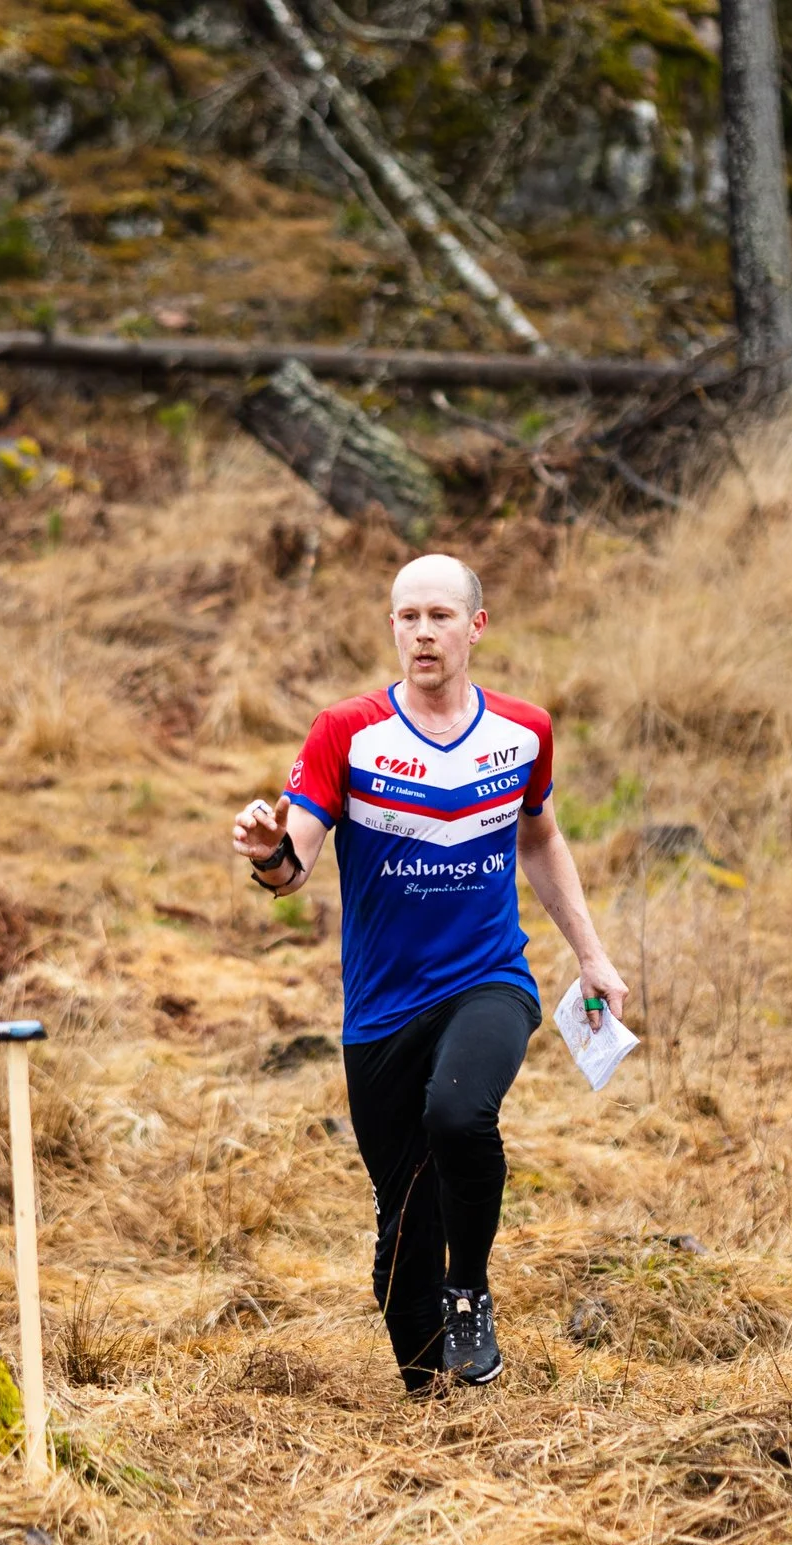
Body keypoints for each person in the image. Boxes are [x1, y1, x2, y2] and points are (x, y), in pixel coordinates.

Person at [230, 553, 628, 1393]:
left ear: (474, 627)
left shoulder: (523, 731)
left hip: (490, 977)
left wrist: (592, 954)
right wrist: (268, 854)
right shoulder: (346, 732)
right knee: (404, 1228)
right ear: (392, 627)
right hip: (382, 1009)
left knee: (458, 1113)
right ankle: (429, 1392)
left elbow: (541, 836)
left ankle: (469, 1291)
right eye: (407, 617)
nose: (422, 632)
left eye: (440, 616)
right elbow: (293, 867)